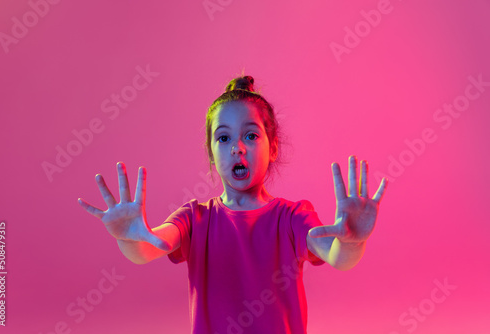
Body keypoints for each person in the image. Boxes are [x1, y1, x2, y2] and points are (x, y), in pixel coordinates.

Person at [78, 75, 388, 334]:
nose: (237, 148)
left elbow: (336, 255)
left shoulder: (292, 217)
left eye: (251, 136)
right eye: (223, 139)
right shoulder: (194, 218)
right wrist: (129, 236)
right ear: (212, 154)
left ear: (274, 147)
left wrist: (353, 241)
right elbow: (147, 247)